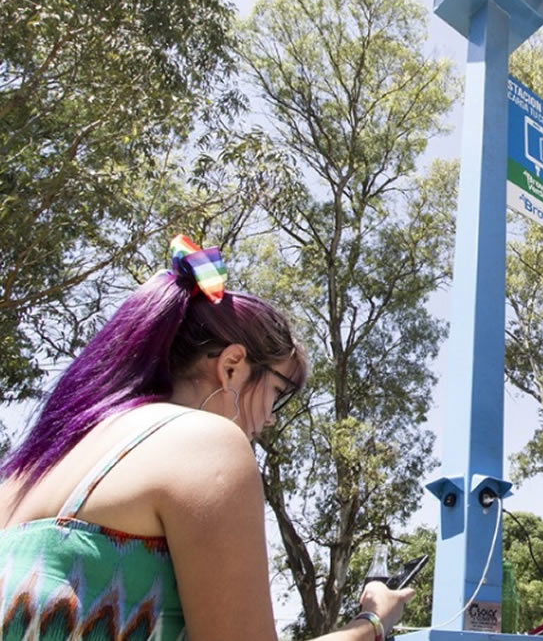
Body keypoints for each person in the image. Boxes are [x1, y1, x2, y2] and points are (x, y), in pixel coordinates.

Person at [0, 235, 413, 640]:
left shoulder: (29, 472)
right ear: (232, 366)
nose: (269, 418)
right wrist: (373, 622)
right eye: (277, 394)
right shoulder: (204, 445)